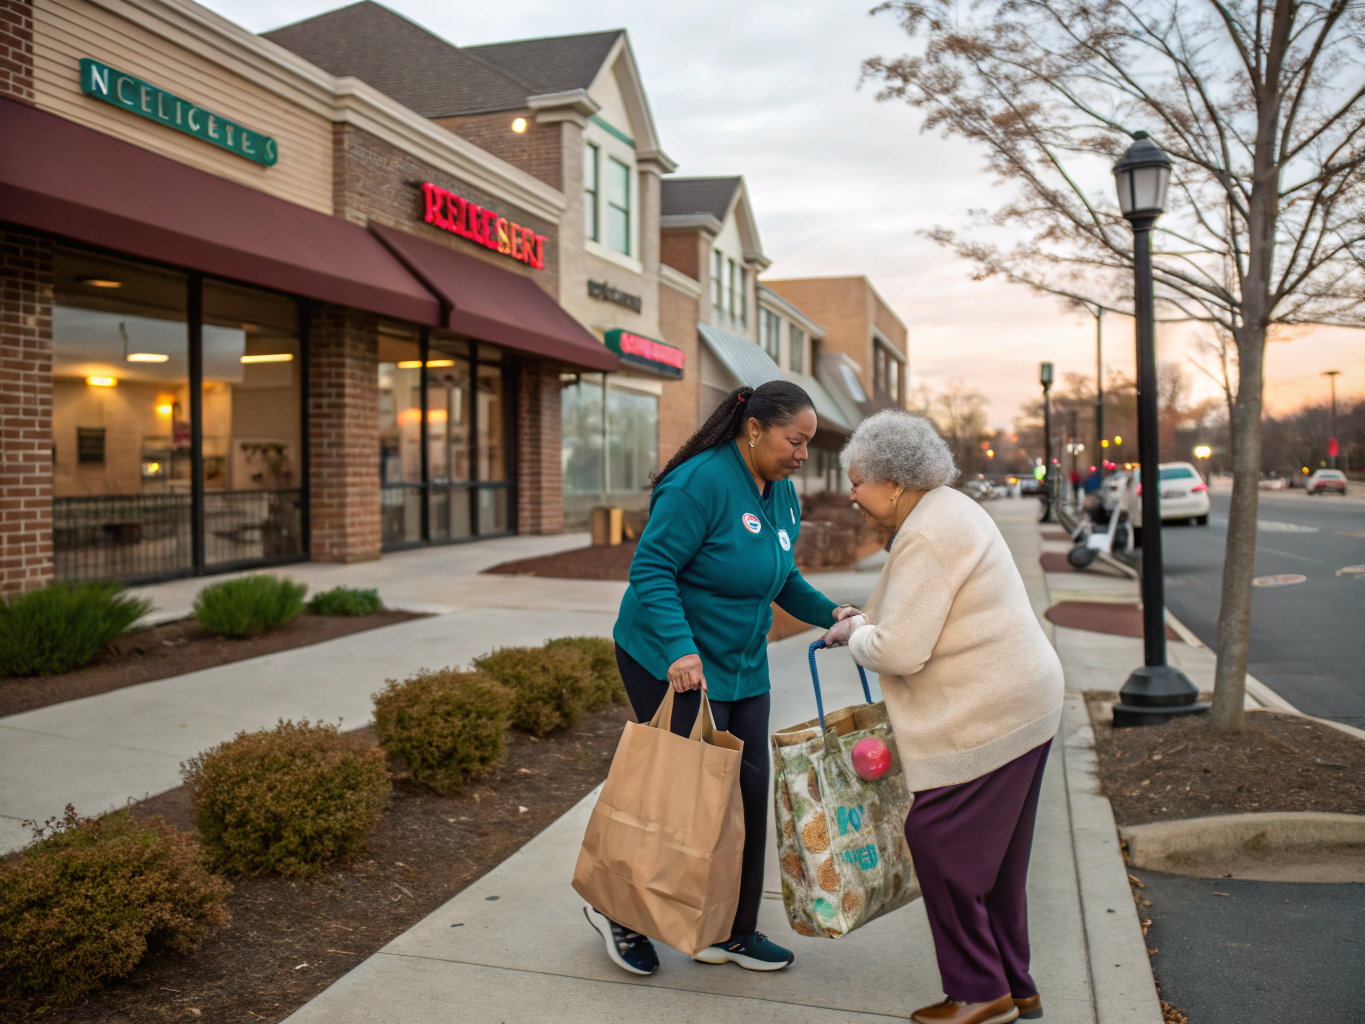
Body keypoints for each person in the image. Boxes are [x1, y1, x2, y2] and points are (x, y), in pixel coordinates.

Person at [585, 381, 856, 976]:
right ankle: (618, 911)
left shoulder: (781, 492)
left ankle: (733, 931)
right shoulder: (699, 483)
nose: (802, 455)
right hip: (670, 659)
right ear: (754, 429)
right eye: (795, 441)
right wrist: (680, 651)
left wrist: (831, 612)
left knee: (745, 798)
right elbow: (651, 569)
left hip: (741, 666)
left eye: (808, 444)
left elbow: (782, 575)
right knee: (677, 798)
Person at [821, 410, 1065, 1024]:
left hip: (991, 712)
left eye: (857, 482)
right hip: (1022, 702)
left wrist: (856, 638)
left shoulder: (927, 533)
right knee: (997, 864)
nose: (852, 495)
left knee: (937, 841)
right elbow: (912, 611)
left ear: (893, 482)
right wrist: (862, 622)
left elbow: (901, 649)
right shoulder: (945, 511)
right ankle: (1015, 984)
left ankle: (980, 992)